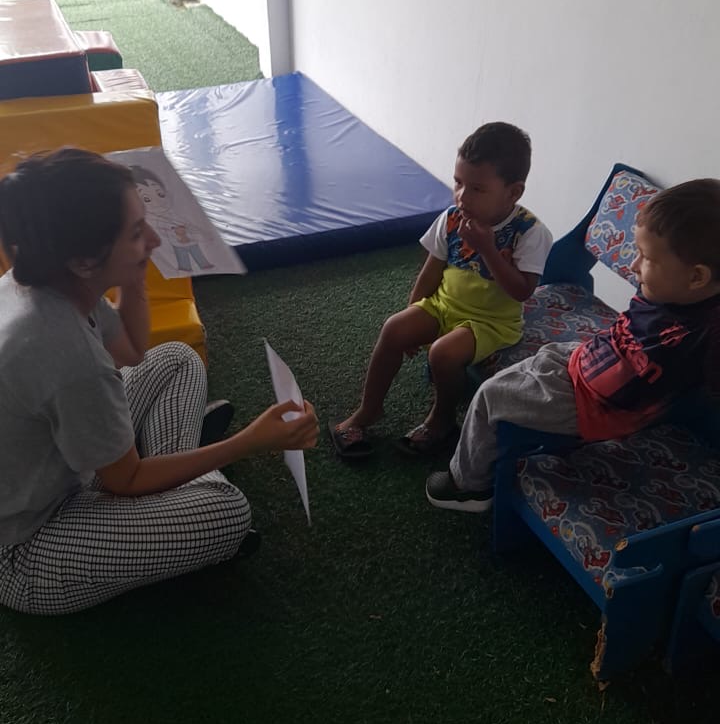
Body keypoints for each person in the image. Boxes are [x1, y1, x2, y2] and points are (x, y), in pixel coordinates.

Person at [0, 148, 319, 615]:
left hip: (67, 461)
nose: (153, 239)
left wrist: (133, 274)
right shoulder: (65, 350)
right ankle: (186, 490)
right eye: (136, 233)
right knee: (227, 513)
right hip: (28, 545)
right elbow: (124, 480)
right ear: (84, 260)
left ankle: (174, 478)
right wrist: (248, 442)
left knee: (176, 360)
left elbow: (132, 350)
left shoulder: (47, 278)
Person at [426, 178, 720, 513]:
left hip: (594, 406)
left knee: (490, 398)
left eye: (646, 258)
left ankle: (468, 486)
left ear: (697, 277)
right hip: (590, 358)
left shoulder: (705, 334)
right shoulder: (673, 290)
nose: (634, 266)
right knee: (542, 357)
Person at [329, 122, 552, 459]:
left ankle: (442, 420)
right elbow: (431, 271)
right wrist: (413, 312)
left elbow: (522, 291)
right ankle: (368, 410)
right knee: (394, 328)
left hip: (490, 323)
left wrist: (488, 249)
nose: (462, 197)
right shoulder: (451, 218)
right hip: (443, 305)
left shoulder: (530, 232)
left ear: (513, 192)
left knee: (443, 354)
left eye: (477, 189)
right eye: (458, 183)